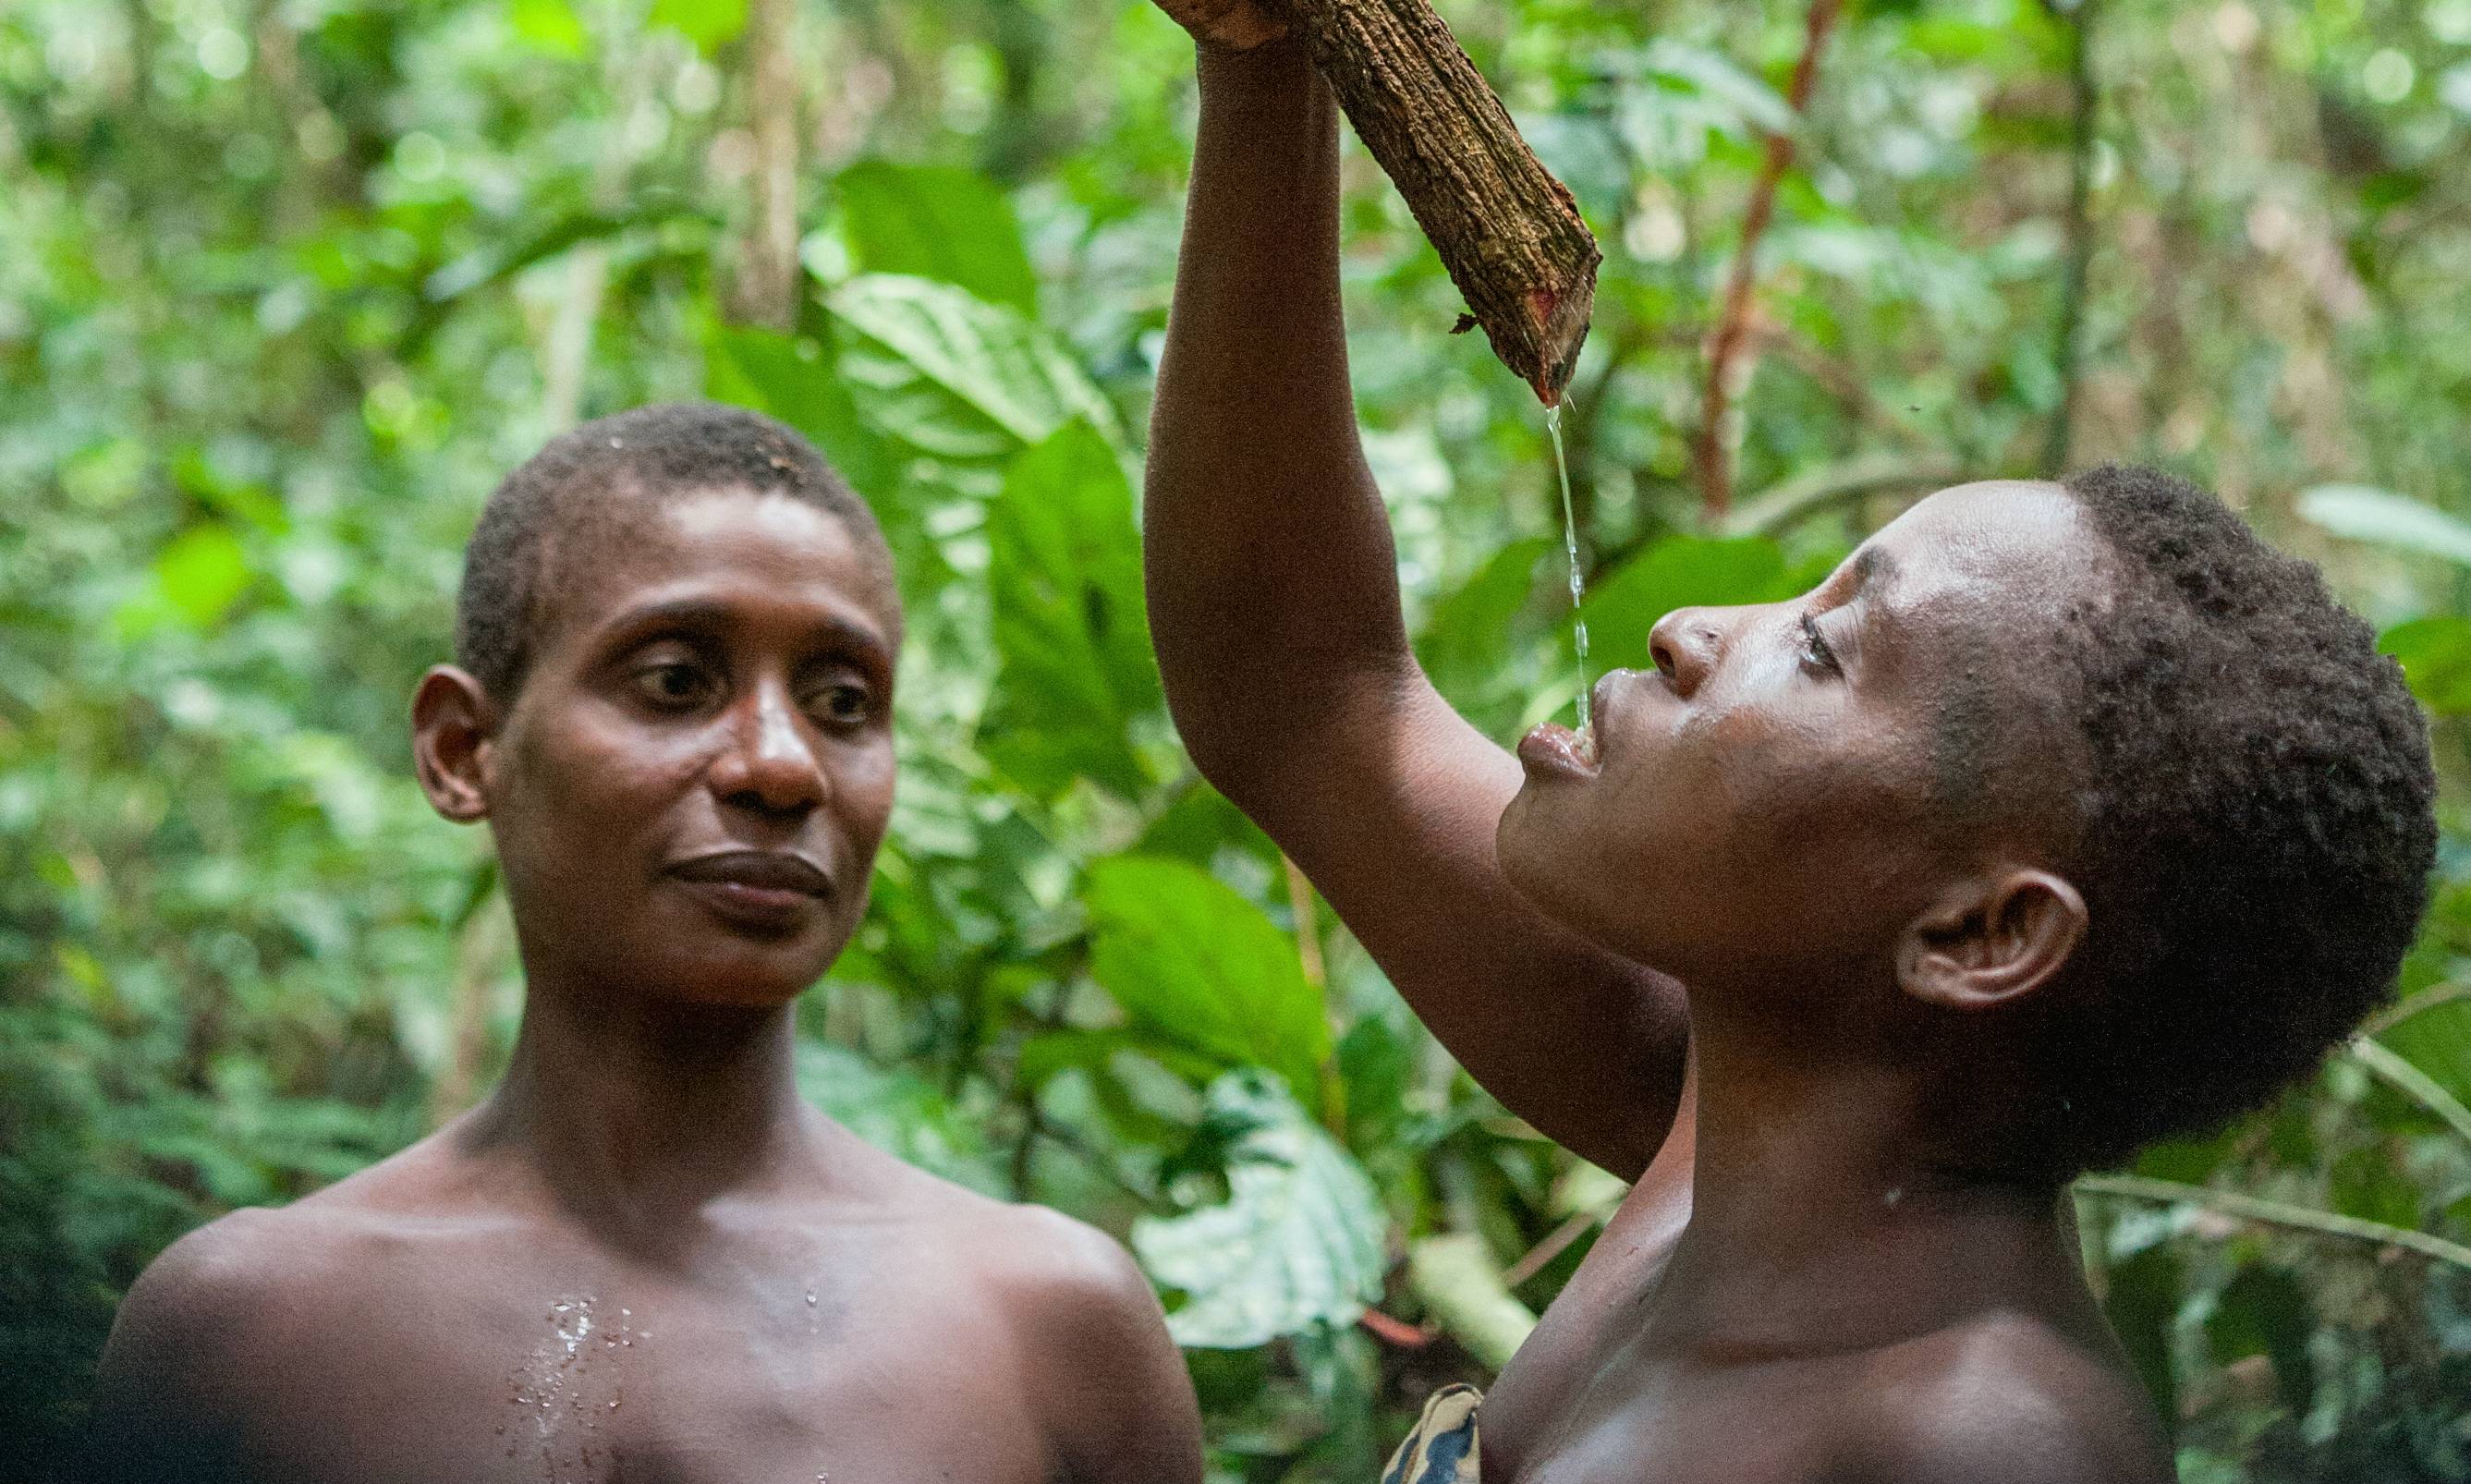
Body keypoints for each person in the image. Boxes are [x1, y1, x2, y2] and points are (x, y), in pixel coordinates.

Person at [1139, 8, 2437, 1483]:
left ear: (1981, 929)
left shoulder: (1976, 1440)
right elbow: (1302, 690)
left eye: (1819, 648)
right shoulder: (1732, 1135)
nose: (1695, 624)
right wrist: (1258, 66)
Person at [89, 404, 1204, 1484]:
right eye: (676, 681)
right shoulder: (241, 1334)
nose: (782, 765)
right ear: (463, 750)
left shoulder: (1052, 1329)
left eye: (843, 700)